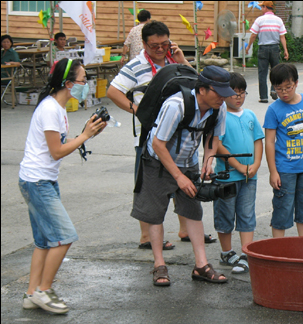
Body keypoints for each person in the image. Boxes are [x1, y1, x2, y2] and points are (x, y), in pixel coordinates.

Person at [131, 65, 235, 286]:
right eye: (218, 92)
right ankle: (159, 265)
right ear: (203, 89)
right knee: (155, 213)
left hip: (189, 162)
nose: (223, 98)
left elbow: (212, 140)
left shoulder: (219, 108)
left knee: (193, 211)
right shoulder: (176, 105)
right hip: (157, 162)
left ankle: (201, 265)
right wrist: (178, 176)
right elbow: (158, 144)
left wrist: (209, 160)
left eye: (225, 93)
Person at [18, 58, 106, 314]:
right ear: (68, 84)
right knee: (64, 236)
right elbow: (56, 151)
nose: (86, 85)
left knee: (44, 241)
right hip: (37, 181)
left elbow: (59, 146)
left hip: (40, 180)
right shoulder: (50, 109)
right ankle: (44, 291)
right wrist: (85, 136)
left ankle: (32, 293)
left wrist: (86, 134)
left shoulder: (57, 108)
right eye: (82, 80)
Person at [108, 20, 195, 251]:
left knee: (182, 176)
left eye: (164, 44)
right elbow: (113, 91)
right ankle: (146, 236)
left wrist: (182, 61)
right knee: (147, 183)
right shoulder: (136, 66)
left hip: (180, 130)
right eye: (154, 45)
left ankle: (186, 229)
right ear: (144, 44)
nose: (160, 49)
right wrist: (137, 110)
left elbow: (197, 84)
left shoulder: (174, 61)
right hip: (152, 131)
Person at [263, 63, 303, 238]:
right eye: (279, 89)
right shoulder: (273, 109)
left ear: (296, 83)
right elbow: (269, 142)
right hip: (285, 170)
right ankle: (279, 249)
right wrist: (273, 171)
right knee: (282, 209)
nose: (284, 92)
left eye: (288, 87)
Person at [213, 72, 264, 274]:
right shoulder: (220, 115)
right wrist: (238, 166)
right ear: (224, 94)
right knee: (225, 214)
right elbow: (218, 146)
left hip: (249, 177)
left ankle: (245, 254)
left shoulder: (250, 115)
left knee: (246, 213)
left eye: (242, 93)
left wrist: (256, 164)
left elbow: (258, 140)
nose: (239, 97)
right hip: (227, 177)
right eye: (234, 93)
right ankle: (227, 252)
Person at [245, 1, 289, 103]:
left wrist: (248, 47)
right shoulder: (278, 20)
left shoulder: (260, 20)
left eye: (262, 7)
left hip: (263, 49)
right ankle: (274, 90)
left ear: (266, 7)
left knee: (262, 73)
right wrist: (285, 50)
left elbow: (253, 35)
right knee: (276, 72)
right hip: (275, 48)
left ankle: (263, 97)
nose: (261, 9)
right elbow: (282, 36)